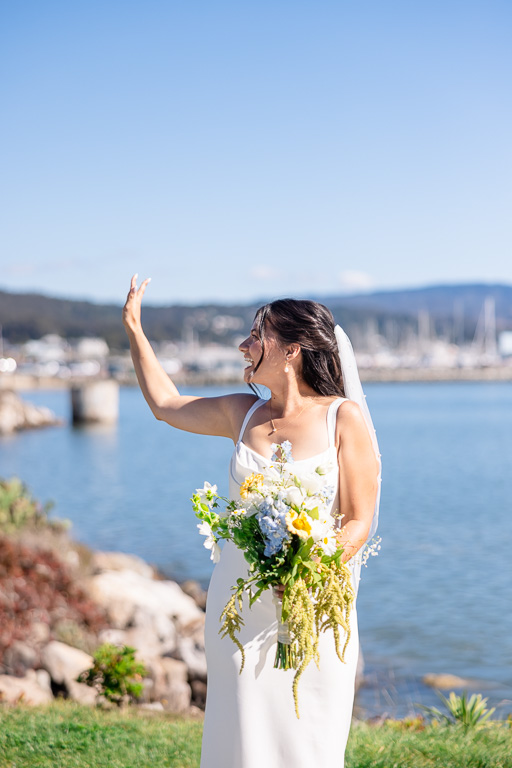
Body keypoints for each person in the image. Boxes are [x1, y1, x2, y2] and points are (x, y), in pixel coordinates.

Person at [123, 275, 380, 768]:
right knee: (240, 731)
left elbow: (358, 521)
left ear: (293, 350)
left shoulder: (342, 418)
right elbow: (165, 405)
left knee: (308, 737)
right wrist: (134, 328)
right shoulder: (243, 415)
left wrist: (308, 572)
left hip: (313, 601)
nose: (243, 346)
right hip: (239, 603)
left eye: (256, 336)